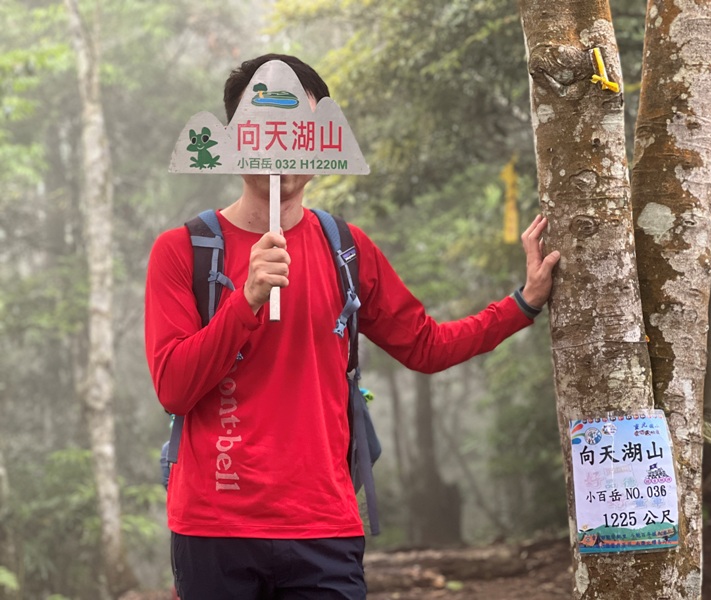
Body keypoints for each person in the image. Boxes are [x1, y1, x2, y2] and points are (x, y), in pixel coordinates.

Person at [144, 53, 560, 600]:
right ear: (234, 138)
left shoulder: (346, 249)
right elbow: (173, 387)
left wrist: (523, 304)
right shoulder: (183, 251)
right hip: (213, 526)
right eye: (263, 127)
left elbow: (425, 345)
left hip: (324, 525)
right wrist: (245, 301)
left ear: (324, 139)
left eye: (300, 129)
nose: (282, 146)